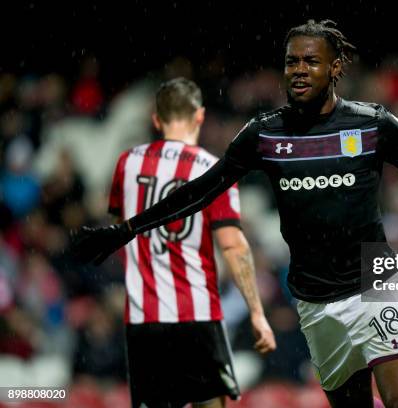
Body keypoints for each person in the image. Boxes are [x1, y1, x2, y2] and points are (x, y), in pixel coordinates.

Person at [72, 20, 398, 408]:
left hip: (374, 288)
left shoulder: (373, 125)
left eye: (310, 61)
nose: (298, 70)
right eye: (291, 61)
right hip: (316, 305)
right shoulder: (264, 135)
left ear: (335, 68)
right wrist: (126, 230)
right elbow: (201, 191)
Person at [96, 77, 276, 408]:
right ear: (199, 116)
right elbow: (233, 245)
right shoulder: (212, 168)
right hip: (196, 314)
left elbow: (119, 232)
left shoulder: (127, 164)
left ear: (155, 119)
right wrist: (256, 312)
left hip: (145, 319)